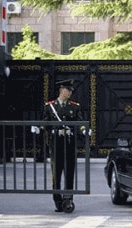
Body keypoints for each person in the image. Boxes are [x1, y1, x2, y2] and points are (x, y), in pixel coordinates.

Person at [32, 79, 89, 212]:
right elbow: (45, 121)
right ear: (62, 90)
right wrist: (39, 128)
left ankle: (68, 200)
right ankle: (58, 201)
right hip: (55, 143)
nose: (70, 93)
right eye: (68, 90)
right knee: (56, 174)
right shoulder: (50, 106)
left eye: (70, 91)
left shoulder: (74, 106)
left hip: (69, 143)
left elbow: (79, 121)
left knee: (69, 173)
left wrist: (83, 129)